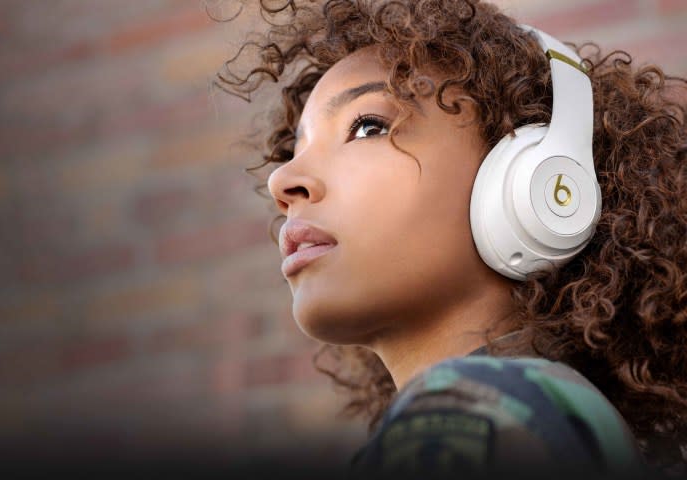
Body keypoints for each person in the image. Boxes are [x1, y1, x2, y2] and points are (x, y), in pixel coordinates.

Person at [213, 0, 687, 477]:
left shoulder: (476, 411)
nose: (283, 182)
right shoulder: (535, 415)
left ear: (534, 186)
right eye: (295, 150)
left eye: (367, 126)